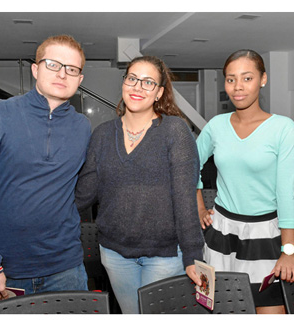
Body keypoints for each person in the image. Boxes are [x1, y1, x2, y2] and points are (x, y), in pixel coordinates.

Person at [0, 35, 91, 305]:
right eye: (53, 64)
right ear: (35, 69)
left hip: (66, 267)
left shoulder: (83, 128)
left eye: (72, 69)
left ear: (80, 80)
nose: (62, 74)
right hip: (7, 269)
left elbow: (82, 188)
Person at [75, 55, 204, 314]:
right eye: (132, 78)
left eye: (148, 82)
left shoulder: (175, 131)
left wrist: (193, 254)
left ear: (159, 93)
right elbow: (83, 195)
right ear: (123, 83)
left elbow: (185, 198)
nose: (137, 87)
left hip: (164, 255)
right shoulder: (101, 134)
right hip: (114, 253)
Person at [196, 49, 294, 314]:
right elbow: (187, 167)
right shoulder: (216, 125)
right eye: (230, 79)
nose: (237, 87)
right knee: (219, 312)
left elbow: (286, 192)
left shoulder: (282, 127)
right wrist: (198, 207)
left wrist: (288, 249)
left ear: (263, 80)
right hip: (220, 231)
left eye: (247, 78)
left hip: (265, 234)